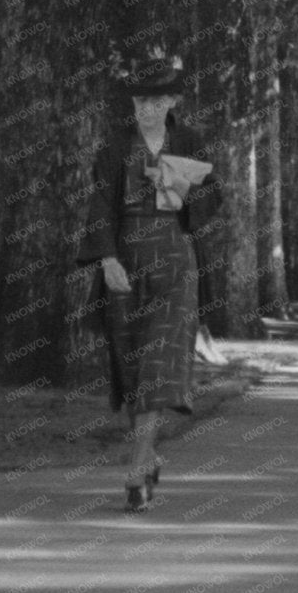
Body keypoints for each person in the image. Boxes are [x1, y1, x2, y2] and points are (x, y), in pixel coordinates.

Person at [78, 56, 220, 511]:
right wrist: (105, 260)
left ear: (173, 100)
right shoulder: (115, 148)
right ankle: (149, 452)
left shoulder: (190, 142)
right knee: (134, 366)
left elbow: (211, 200)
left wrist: (177, 186)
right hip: (126, 261)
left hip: (176, 263)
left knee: (160, 366)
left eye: (158, 99)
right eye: (141, 99)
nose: (149, 108)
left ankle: (137, 466)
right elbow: (99, 206)